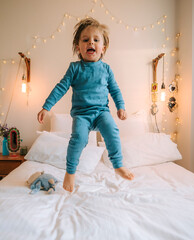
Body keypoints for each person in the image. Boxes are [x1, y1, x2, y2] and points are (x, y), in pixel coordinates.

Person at [37, 18, 134, 192]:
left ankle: (118, 164)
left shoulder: (106, 70)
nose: (91, 42)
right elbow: (61, 87)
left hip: (102, 112)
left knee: (112, 130)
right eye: (85, 39)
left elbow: (115, 90)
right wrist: (47, 106)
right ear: (78, 48)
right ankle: (70, 172)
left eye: (96, 40)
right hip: (81, 114)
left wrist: (121, 107)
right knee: (79, 139)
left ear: (103, 48)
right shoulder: (75, 68)